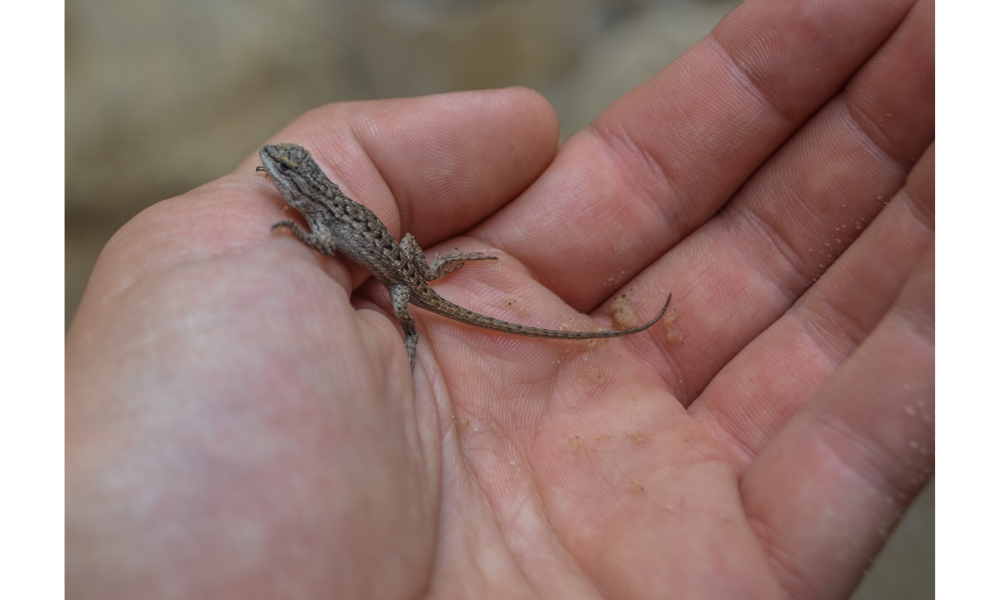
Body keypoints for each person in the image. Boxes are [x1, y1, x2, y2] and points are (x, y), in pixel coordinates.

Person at [66, 0, 934, 596]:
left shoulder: (325, 215)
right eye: (287, 174)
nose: (283, 174)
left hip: (404, 283)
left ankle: (424, 326)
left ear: (306, 178)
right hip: (401, 275)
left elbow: (338, 238)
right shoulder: (319, 206)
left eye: (289, 171)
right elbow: (334, 232)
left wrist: (352, 269)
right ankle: (434, 312)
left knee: (412, 291)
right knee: (411, 274)